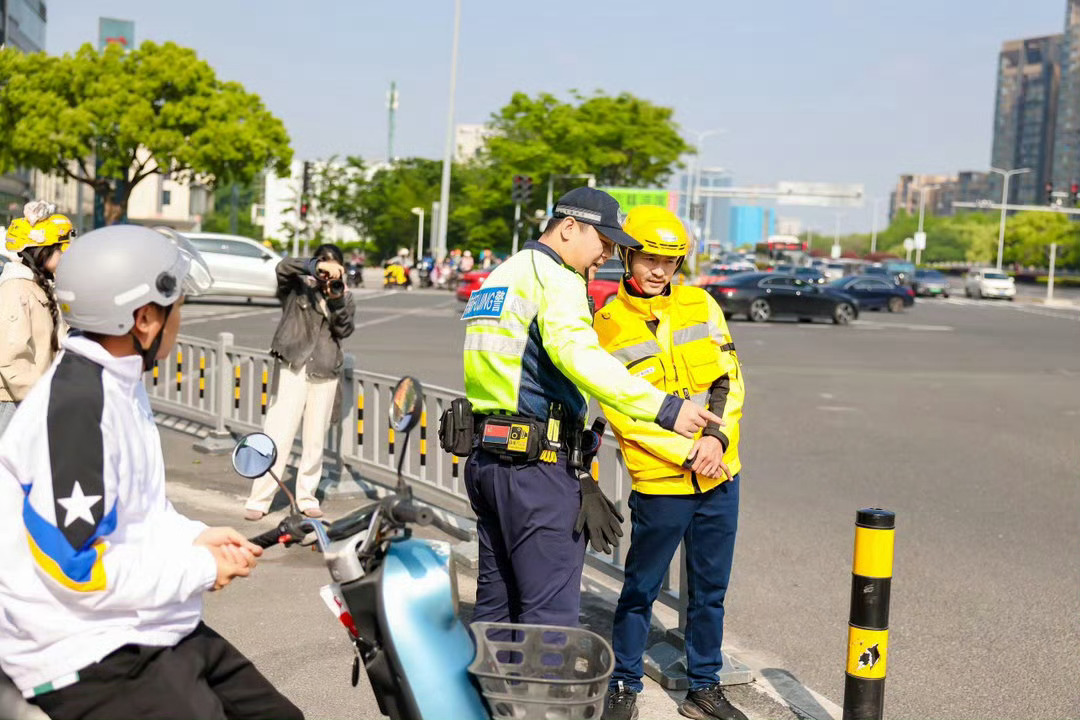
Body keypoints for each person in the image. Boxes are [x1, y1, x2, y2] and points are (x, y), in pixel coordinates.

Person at [0, 224, 303, 720]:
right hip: (82, 651)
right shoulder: (79, 409)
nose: (180, 321)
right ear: (144, 319)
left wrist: (197, 536)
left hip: (144, 627)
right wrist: (202, 568)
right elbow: (74, 568)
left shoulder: (119, 381)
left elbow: (139, 508)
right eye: (176, 307)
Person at [456, 187, 723, 630]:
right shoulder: (556, 277)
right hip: (535, 471)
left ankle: (489, 698)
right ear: (567, 227)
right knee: (549, 617)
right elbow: (578, 356)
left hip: (489, 461)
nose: (607, 256)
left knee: (496, 607)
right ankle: (540, 701)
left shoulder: (505, 273)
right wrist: (664, 407)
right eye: (603, 243)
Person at [593, 206, 747, 720]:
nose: (659, 271)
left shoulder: (702, 305)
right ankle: (624, 684)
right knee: (642, 588)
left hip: (719, 474)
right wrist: (688, 451)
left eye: (670, 261)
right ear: (626, 255)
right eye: (650, 259)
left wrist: (717, 442)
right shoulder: (607, 326)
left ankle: (704, 686)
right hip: (661, 481)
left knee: (710, 592)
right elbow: (624, 414)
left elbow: (730, 381)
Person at [244, 243, 355, 521]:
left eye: (334, 268)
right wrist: (314, 267)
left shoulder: (343, 295)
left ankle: (307, 497)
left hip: (325, 370)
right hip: (293, 364)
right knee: (277, 432)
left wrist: (337, 299)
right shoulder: (297, 289)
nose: (328, 277)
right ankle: (260, 497)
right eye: (324, 269)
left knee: (314, 439)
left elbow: (345, 329)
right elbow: (282, 267)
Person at [0, 201, 74, 438]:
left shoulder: (40, 287)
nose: (65, 255)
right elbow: (12, 358)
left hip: (33, 399)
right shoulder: (17, 289)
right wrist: (43, 397)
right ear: (42, 251)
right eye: (61, 249)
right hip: (16, 402)